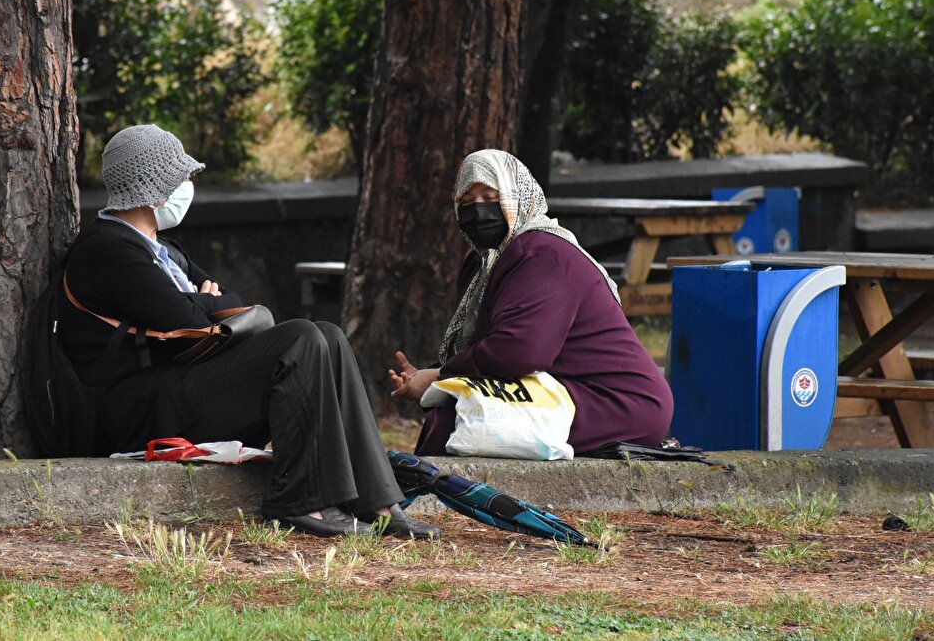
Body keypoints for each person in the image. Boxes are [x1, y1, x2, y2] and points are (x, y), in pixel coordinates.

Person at [58, 124, 439, 539]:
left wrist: (204, 303)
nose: (188, 185)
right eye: (181, 176)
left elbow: (231, 302)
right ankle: (302, 501)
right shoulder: (106, 248)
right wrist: (205, 303)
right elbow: (191, 319)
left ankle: (378, 501)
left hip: (180, 388)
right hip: (143, 410)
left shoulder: (163, 248)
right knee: (299, 340)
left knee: (326, 334)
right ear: (156, 187)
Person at [389, 149, 674, 456]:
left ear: (518, 195)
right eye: (467, 202)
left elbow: (520, 350)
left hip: (617, 403)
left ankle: (425, 502)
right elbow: (484, 343)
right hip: (560, 388)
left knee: (462, 417)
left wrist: (441, 376)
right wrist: (430, 376)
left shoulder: (543, 253)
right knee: (459, 408)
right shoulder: (482, 260)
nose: (479, 210)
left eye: (491, 196)